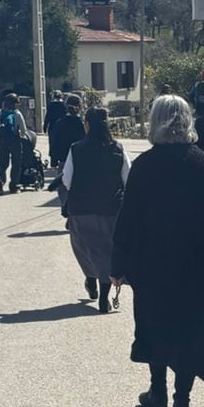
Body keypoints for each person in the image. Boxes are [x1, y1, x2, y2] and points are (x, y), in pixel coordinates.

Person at [111, 95, 204, 407]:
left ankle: (157, 390)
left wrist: (118, 265)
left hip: (152, 265)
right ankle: (182, 401)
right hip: (195, 265)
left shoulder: (145, 166)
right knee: (190, 330)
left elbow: (128, 217)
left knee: (156, 325)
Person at [60, 106, 127, 312]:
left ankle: (90, 279)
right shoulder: (117, 148)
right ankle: (103, 297)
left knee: (87, 248)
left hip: (81, 210)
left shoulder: (76, 149)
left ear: (86, 125)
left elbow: (67, 180)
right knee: (107, 252)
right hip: (111, 209)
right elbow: (128, 177)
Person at [47, 94, 85, 193]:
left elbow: (54, 142)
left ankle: (65, 206)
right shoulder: (82, 124)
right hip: (79, 160)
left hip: (63, 159)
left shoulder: (60, 123)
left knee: (63, 187)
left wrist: (53, 160)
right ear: (80, 107)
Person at [0, 91, 28, 193]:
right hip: (14, 141)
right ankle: (14, 185)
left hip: (1, 141)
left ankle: (0, 185)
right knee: (16, 164)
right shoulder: (17, 114)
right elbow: (23, 131)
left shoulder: (0, 112)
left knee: (2, 164)